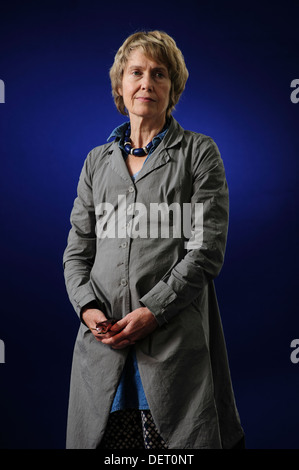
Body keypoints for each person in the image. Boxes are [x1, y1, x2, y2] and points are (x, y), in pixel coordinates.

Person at [63, 30, 245, 449]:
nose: (147, 83)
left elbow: (206, 250)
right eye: (136, 72)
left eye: (160, 74)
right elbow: (77, 251)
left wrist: (152, 311)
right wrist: (88, 309)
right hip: (102, 349)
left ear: (173, 87)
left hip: (174, 345)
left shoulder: (199, 153)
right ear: (120, 86)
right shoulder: (96, 162)